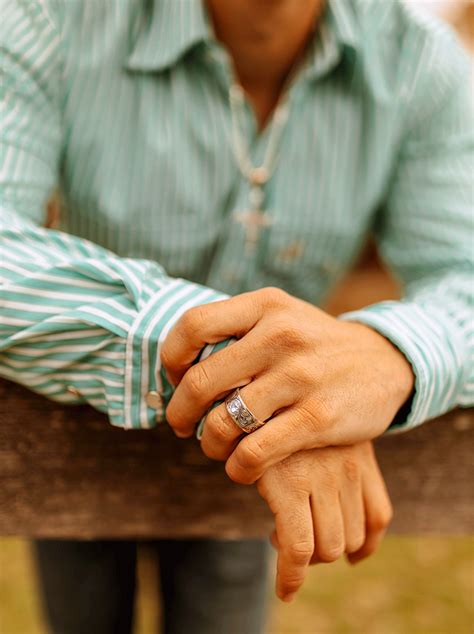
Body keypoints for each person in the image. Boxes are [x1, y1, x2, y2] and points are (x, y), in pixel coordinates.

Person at [1, 1, 472, 633]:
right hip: (79, 411)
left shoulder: (422, 64)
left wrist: (388, 356)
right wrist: (245, 365)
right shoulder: (48, 21)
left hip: (256, 472)